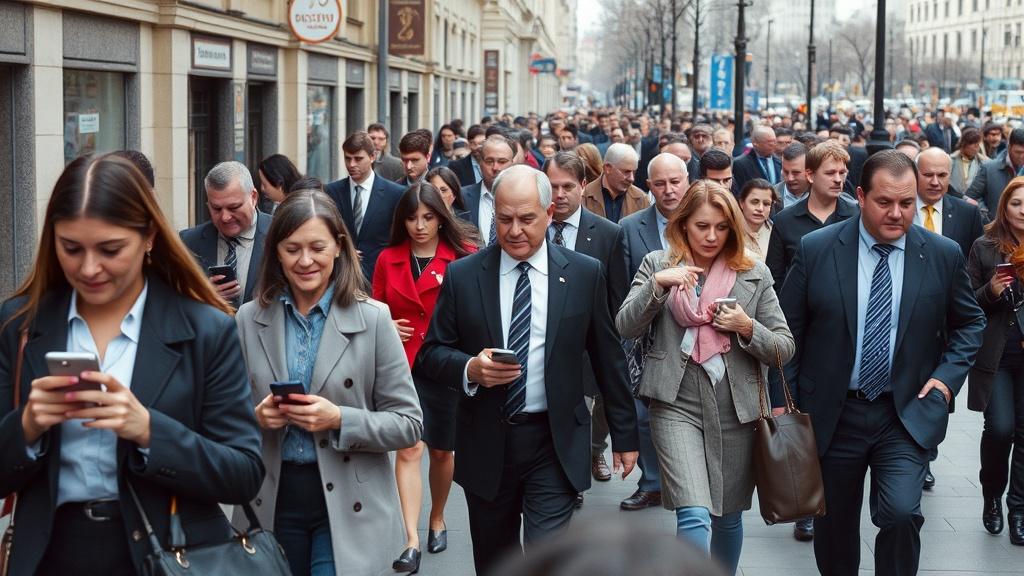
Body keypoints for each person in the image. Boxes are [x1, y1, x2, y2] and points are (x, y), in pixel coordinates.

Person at [0, 153, 264, 574]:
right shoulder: (21, 326)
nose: (89, 268)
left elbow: (243, 473)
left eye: (110, 249)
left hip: (169, 554)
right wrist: (28, 425)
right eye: (71, 248)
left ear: (149, 238)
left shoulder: (205, 329)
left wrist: (149, 431)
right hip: (49, 554)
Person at [415, 165, 639, 575]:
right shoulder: (465, 276)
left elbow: (609, 356)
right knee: (496, 563)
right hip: (486, 441)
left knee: (546, 561)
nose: (515, 230)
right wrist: (470, 368)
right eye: (504, 219)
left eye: (526, 218)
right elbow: (431, 354)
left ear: (549, 213)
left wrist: (625, 434)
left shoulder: (584, 273)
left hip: (554, 444)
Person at [776, 150, 986, 576]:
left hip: (905, 410)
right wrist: (787, 402)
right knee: (833, 529)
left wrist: (946, 381)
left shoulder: (942, 254)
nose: (896, 213)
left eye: (906, 203)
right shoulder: (817, 249)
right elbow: (787, 332)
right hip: (832, 412)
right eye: (884, 202)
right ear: (860, 196)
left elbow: (970, 322)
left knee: (903, 513)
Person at [234, 190, 423, 576]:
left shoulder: (373, 319)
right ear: (276, 252)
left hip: (352, 503)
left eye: (317, 247)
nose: (305, 261)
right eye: (292, 249)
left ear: (338, 247)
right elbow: (221, 419)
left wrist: (340, 418)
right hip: (269, 500)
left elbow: (409, 424)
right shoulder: (248, 319)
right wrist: (256, 418)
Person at [616, 180, 795, 576]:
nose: (711, 236)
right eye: (701, 226)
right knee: (694, 513)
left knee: (727, 517)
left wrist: (747, 327)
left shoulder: (754, 273)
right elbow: (625, 326)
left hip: (737, 406)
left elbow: (784, 347)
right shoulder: (657, 265)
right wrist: (657, 287)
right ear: (683, 226)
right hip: (675, 402)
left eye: (721, 227)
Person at [372, 183, 477, 572]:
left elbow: (472, 314)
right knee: (408, 448)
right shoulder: (388, 258)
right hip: (402, 366)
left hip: (444, 364)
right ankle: (411, 538)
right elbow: (374, 306)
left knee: (441, 451)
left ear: (441, 218)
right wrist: (386, 323)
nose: (419, 226)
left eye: (428, 218)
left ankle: (437, 516)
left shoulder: (463, 258)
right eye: (412, 218)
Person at [541, 152, 629, 503]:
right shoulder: (533, 228)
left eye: (566, 186)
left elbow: (616, 297)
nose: (559, 194)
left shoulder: (607, 234)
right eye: (551, 187)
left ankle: (575, 477)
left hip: (586, 349)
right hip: (541, 343)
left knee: (582, 419)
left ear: (582, 187)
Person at [616, 152, 691, 512]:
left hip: (696, 337)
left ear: (687, 181)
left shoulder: (707, 222)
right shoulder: (630, 228)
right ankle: (651, 484)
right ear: (648, 187)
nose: (669, 190)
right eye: (659, 183)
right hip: (646, 338)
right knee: (644, 417)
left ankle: (688, 485)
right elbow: (624, 285)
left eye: (675, 181)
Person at [966, 176, 1024, 546]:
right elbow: (966, 302)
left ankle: (1018, 508)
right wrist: (990, 290)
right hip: (999, 356)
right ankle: (992, 495)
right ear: (1005, 206)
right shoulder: (985, 247)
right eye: (1018, 203)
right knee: (1001, 429)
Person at [766, 140, 859, 291]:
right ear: (810, 175)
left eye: (842, 173)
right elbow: (774, 278)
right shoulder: (784, 221)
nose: (837, 179)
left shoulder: (857, 216)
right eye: (830, 173)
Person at [180, 161, 272, 307]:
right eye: (216, 208)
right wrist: (202, 296)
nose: (225, 217)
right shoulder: (188, 242)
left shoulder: (280, 235)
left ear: (253, 197)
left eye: (233, 207)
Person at [324, 131, 406, 282]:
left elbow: (400, 239)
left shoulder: (395, 193)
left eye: (358, 159)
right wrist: (342, 250)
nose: (351, 164)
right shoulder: (331, 191)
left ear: (373, 156)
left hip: (379, 277)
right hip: (341, 276)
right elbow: (326, 232)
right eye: (347, 159)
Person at [459, 134, 516, 247]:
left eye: (502, 161)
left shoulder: (524, 198)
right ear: (480, 163)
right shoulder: (461, 197)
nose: (495, 167)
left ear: (512, 165)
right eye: (489, 161)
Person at [583, 143, 649, 223]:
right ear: (608, 168)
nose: (632, 179)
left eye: (634, 172)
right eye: (626, 172)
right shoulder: (584, 196)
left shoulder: (642, 199)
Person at [968, 128, 1024, 222]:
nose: (1022, 156)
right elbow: (971, 196)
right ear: (1009, 147)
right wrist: (986, 215)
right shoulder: (989, 168)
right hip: (995, 229)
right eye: (1018, 152)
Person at [738, 178, 777, 261]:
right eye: (754, 202)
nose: (760, 208)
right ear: (741, 203)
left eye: (766, 204)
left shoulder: (776, 232)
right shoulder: (730, 232)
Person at [950, 127, 990, 193]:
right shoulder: (950, 160)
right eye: (973, 143)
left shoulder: (984, 162)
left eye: (978, 143)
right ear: (964, 143)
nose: (976, 146)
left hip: (975, 201)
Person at [776, 142, 810, 211]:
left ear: (809, 171)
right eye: (786, 172)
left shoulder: (822, 195)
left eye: (796, 173)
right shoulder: (771, 196)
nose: (790, 178)